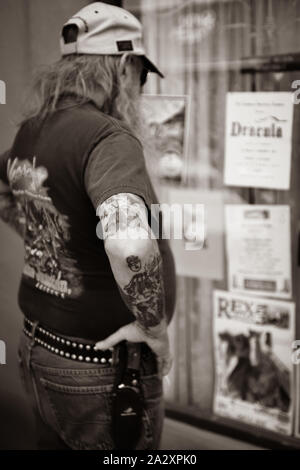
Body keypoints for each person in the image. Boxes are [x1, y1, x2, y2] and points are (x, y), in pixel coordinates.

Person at [0, 2, 176, 450]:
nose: (139, 88)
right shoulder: (107, 138)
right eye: (140, 74)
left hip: (38, 351)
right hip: (98, 371)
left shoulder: (33, 130)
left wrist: (47, 236)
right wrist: (154, 327)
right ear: (122, 66)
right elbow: (131, 243)